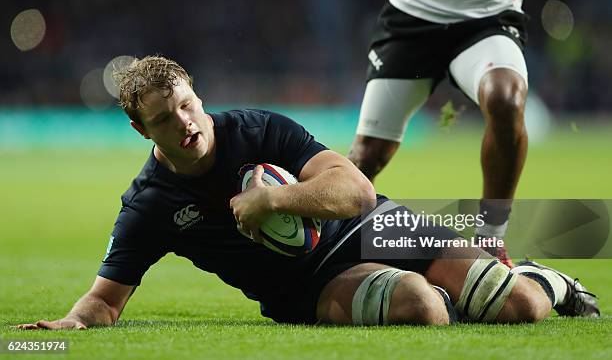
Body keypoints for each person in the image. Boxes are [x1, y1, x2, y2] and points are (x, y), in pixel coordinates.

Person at [16, 56, 598, 330]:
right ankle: (457, 294)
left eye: (189, 105)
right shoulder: (150, 205)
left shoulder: (256, 128)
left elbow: (357, 190)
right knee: (422, 308)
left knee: (520, 305)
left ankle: (549, 279)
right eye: (167, 119)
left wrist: (273, 201)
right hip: (310, 285)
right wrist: (55, 337)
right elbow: (104, 303)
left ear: (198, 94)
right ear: (143, 131)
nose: (187, 123)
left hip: (378, 225)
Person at [348, 0, 532, 267]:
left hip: (488, 18)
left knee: (505, 99)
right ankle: (330, 249)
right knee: (366, 156)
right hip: (414, 15)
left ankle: (490, 239)